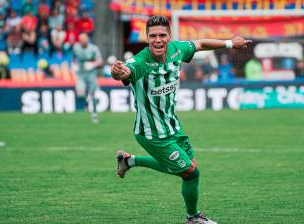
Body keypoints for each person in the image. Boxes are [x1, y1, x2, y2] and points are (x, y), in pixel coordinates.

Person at [111, 16, 251, 224]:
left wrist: (230, 43)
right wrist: (118, 72)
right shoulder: (140, 62)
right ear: (147, 38)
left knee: (188, 166)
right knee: (191, 173)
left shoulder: (177, 50)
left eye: (162, 35)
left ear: (169, 36)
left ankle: (129, 161)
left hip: (173, 127)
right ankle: (193, 217)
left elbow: (201, 43)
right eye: (153, 36)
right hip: (151, 134)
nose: (158, 40)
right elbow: (125, 71)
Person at [73, 33, 103, 123]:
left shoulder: (94, 48)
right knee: (80, 93)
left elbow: (100, 61)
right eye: (81, 40)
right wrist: (74, 65)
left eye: (85, 40)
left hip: (91, 73)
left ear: (88, 40)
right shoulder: (76, 48)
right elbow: (73, 58)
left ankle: (94, 113)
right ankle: (86, 100)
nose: (83, 42)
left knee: (93, 94)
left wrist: (93, 64)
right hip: (81, 73)